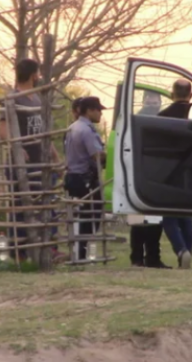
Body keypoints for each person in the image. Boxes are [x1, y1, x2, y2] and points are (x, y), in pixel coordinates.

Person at [0, 58, 64, 262]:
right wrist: (17, 145)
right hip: (22, 163)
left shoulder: (36, 99)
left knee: (46, 205)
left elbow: (43, 134)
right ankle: (20, 252)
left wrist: (55, 158)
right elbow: (2, 129)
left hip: (40, 161)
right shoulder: (13, 98)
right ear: (34, 74)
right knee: (21, 207)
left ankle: (49, 249)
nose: (39, 76)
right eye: (38, 72)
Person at [129, 90, 171, 269]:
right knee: (140, 219)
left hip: (154, 174)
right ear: (144, 100)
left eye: (156, 99)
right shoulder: (138, 118)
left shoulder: (164, 119)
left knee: (153, 220)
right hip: (141, 173)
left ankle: (148, 257)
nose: (153, 102)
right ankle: (141, 257)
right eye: (150, 99)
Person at [158, 79, 192, 269]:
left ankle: (181, 251)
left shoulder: (161, 117)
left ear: (172, 94)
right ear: (191, 95)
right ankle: (187, 252)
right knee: (186, 216)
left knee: (169, 217)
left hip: (168, 173)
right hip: (189, 173)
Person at [64, 96, 106, 260]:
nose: (101, 114)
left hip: (73, 177)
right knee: (91, 215)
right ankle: (81, 251)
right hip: (85, 179)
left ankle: (79, 250)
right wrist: (110, 156)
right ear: (89, 111)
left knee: (83, 215)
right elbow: (96, 155)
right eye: (98, 110)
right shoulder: (87, 130)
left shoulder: (73, 127)